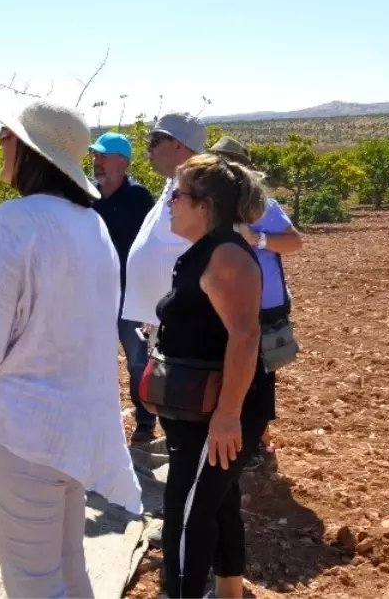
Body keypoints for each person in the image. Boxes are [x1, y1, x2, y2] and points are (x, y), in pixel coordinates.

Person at [0, 100, 141, 599]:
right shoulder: (93, 227)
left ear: (29, 152)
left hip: (21, 434)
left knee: (34, 587)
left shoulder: (15, 222)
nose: (0, 149)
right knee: (68, 571)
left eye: (5, 139)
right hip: (75, 431)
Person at [156, 153, 272, 599]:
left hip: (221, 410)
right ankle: (229, 591)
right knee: (217, 501)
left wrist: (227, 416)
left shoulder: (225, 253)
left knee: (186, 512)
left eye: (177, 195)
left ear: (205, 205)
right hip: (203, 410)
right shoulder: (206, 250)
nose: (170, 202)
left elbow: (245, 336)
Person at [209, 136, 304, 470]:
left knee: (258, 376)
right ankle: (248, 438)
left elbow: (294, 242)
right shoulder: (210, 205)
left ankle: (254, 441)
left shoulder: (260, 205)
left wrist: (258, 238)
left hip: (264, 305)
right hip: (224, 304)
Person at [122, 111, 208, 443]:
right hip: (164, 320)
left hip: (186, 325)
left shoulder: (198, 187)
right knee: (171, 403)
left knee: (185, 403)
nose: (148, 149)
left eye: (155, 141)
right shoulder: (175, 182)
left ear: (178, 145)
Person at [90, 131, 158, 445]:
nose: (96, 160)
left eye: (103, 155)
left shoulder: (139, 197)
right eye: (95, 155)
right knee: (96, 357)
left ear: (123, 162)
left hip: (132, 295)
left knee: (137, 359)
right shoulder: (89, 196)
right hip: (96, 293)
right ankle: (101, 420)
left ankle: (145, 421)